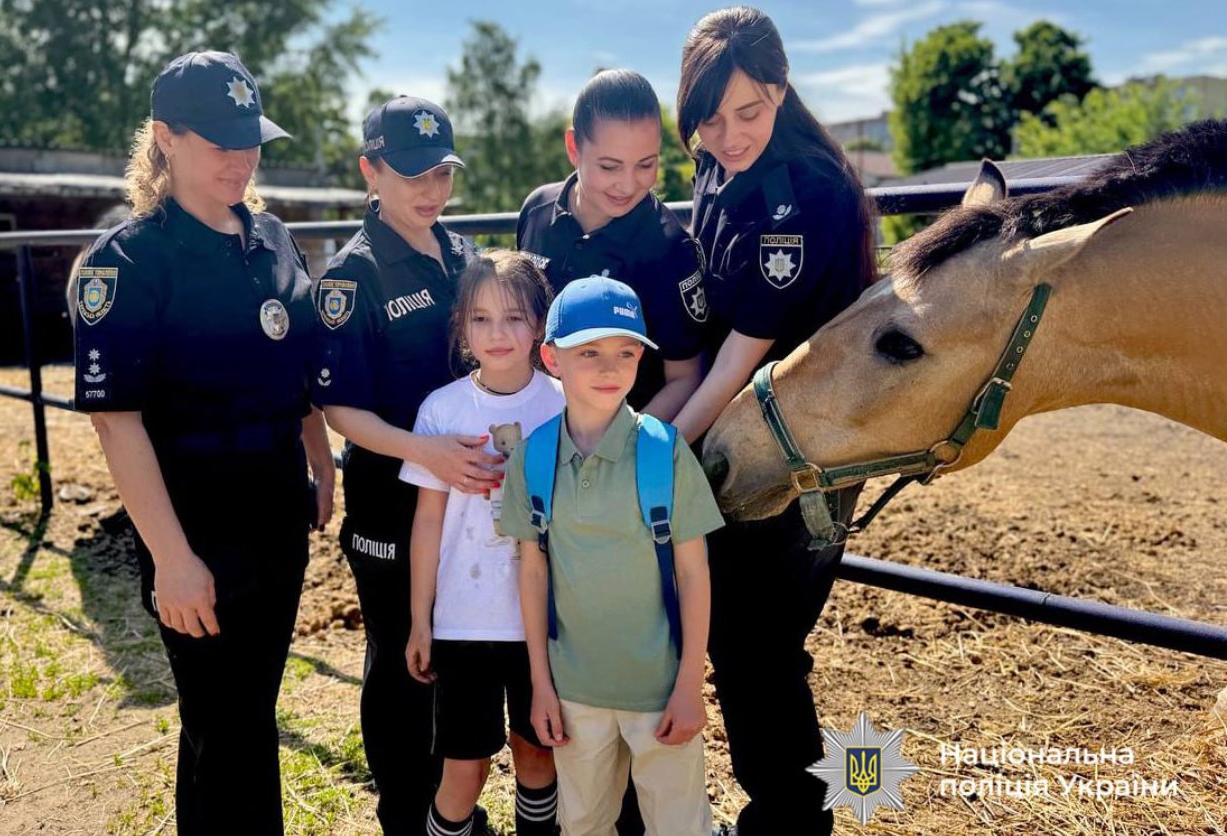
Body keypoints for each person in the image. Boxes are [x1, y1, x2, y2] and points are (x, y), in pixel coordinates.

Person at [72, 51, 336, 834]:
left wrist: (320, 461)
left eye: (249, 138)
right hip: (196, 520)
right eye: (219, 140)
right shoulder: (130, 262)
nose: (241, 157)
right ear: (165, 138)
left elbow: (301, 371)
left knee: (245, 711)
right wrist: (174, 559)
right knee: (225, 720)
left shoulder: (273, 239)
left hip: (278, 508)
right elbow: (116, 423)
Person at [668, 9, 879, 835]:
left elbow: (739, 357)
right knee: (745, 643)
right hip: (744, 434)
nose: (727, 135)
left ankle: (791, 816)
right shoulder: (717, 165)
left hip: (798, 449)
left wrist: (659, 446)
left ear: (781, 89)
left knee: (759, 646)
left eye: (748, 112)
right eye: (709, 119)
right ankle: (783, 811)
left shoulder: (809, 193)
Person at [312, 95, 496, 835]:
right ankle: (404, 815)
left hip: (463, 502)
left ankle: (451, 815)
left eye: (443, 172)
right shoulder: (350, 280)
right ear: (371, 172)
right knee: (400, 661)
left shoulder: (461, 255)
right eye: (413, 173)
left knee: (455, 655)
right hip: (392, 498)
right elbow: (338, 411)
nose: (431, 189)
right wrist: (425, 452)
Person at [502, 276, 725, 835]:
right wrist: (541, 684)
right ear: (551, 358)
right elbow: (532, 572)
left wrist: (689, 686)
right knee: (583, 824)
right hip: (574, 694)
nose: (610, 368)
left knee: (679, 826)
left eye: (626, 352)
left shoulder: (665, 452)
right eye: (590, 353)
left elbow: (694, 573)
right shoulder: (531, 460)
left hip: (660, 690)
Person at [400, 250, 565, 836]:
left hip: (542, 623)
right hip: (465, 624)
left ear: (541, 325)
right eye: (481, 318)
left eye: (515, 317)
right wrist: (421, 620)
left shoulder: (564, 403)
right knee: (464, 768)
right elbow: (426, 526)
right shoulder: (442, 410)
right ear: (462, 326)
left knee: (538, 753)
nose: (498, 333)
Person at [517, 69, 707, 420]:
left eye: (645, 165)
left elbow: (685, 378)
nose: (628, 184)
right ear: (574, 148)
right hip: (537, 431)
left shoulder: (669, 248)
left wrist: (622, 449)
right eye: (609, 166)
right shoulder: (536, 211)